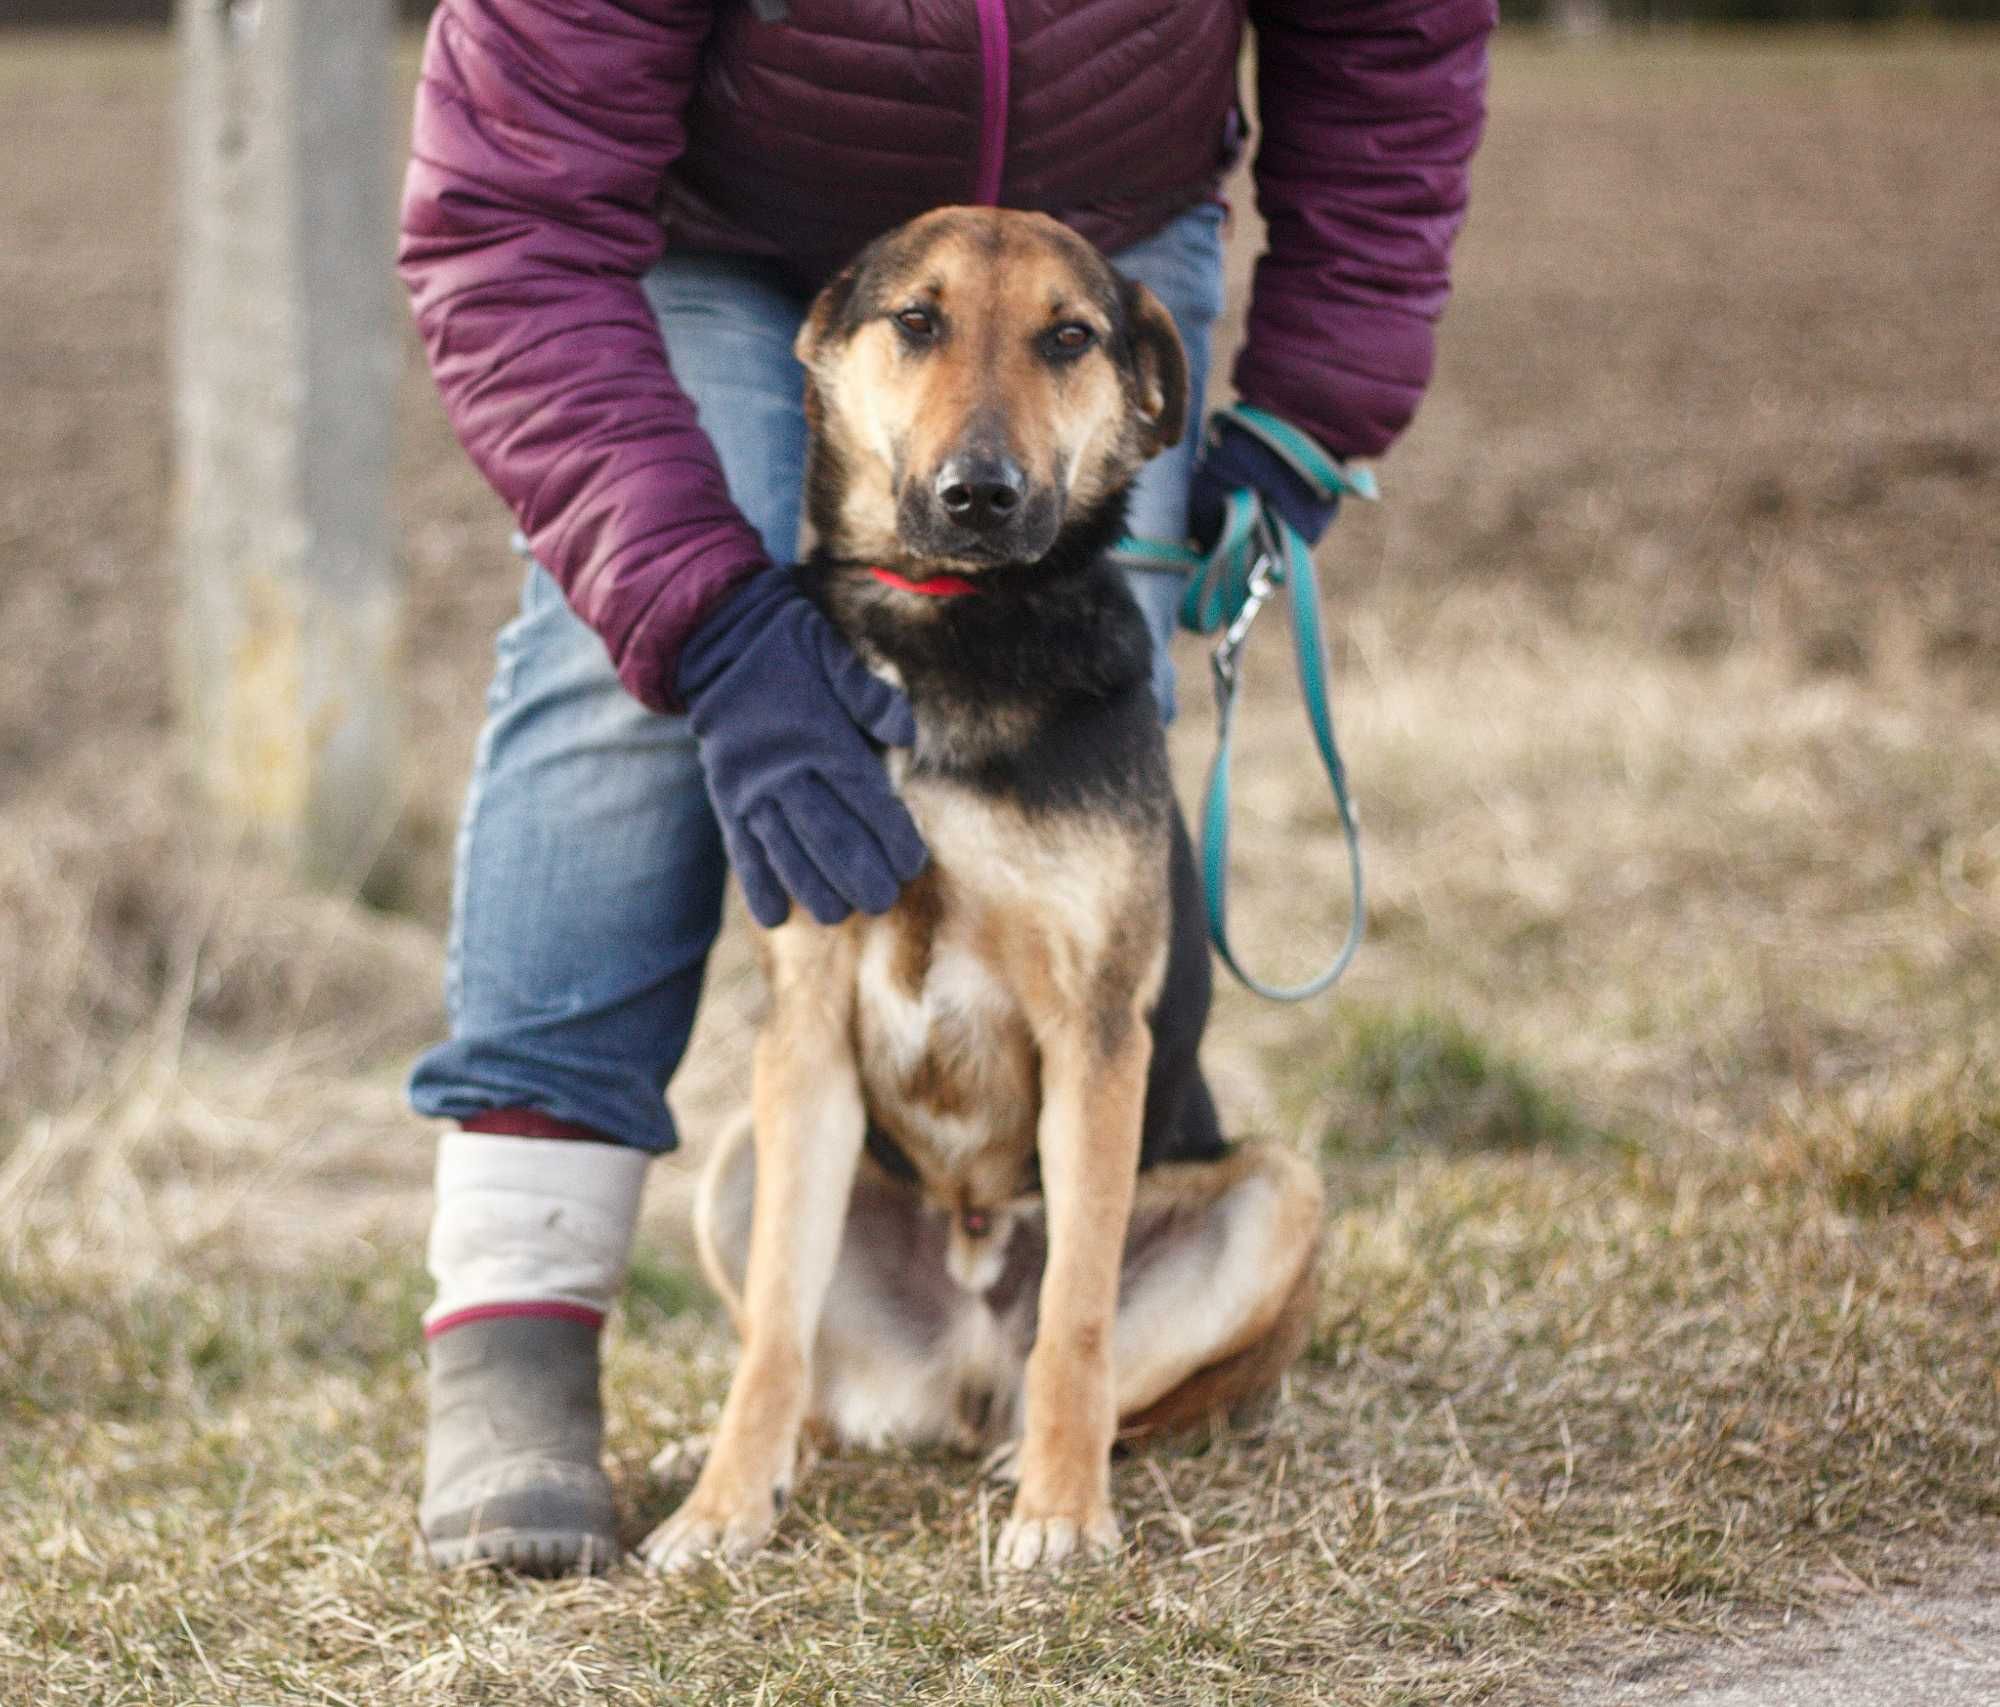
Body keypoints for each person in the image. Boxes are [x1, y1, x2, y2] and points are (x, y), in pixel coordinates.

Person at [399, 0, 1495, 1574]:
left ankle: (1066, 1365)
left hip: (1114, 231)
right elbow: (504, 208)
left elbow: (1396, 33)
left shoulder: (1098, 350)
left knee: (1088, 760)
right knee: (613, 657)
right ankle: (515, 1321)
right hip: (710, 218)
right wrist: (709, 626)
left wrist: (1320, 394)